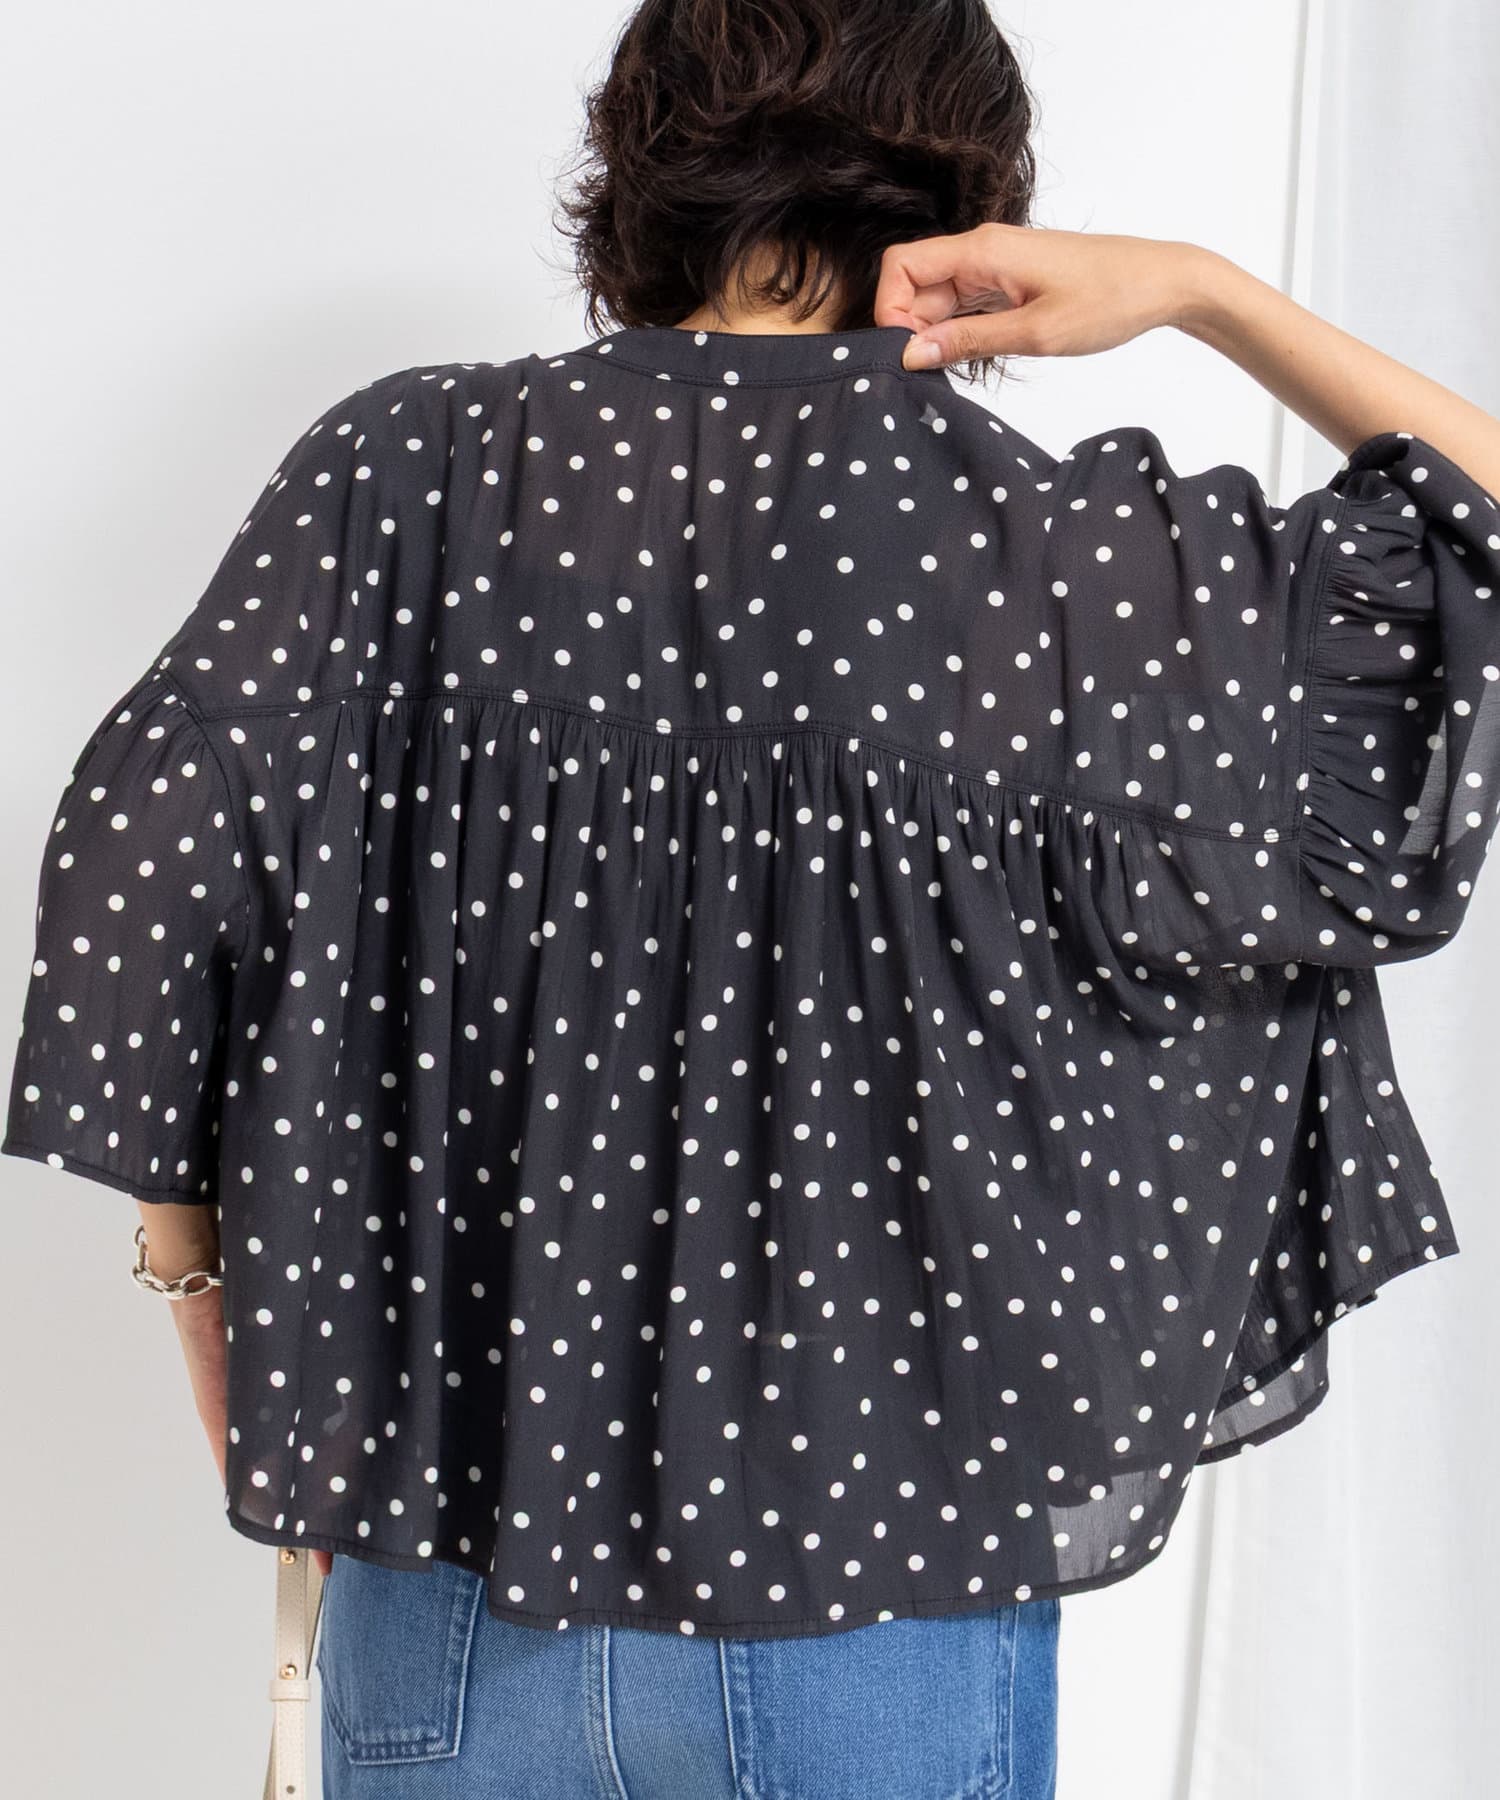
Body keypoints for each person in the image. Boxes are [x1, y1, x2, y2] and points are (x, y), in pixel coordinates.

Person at [6, 3, 1499, 1795]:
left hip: (444, 1588)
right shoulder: (1067, 568)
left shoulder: (405, 473)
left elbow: (147, 868)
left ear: (638, 158)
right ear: (967, 194)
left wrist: (208, 1296)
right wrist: (1201, 293)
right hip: (884, 1608)